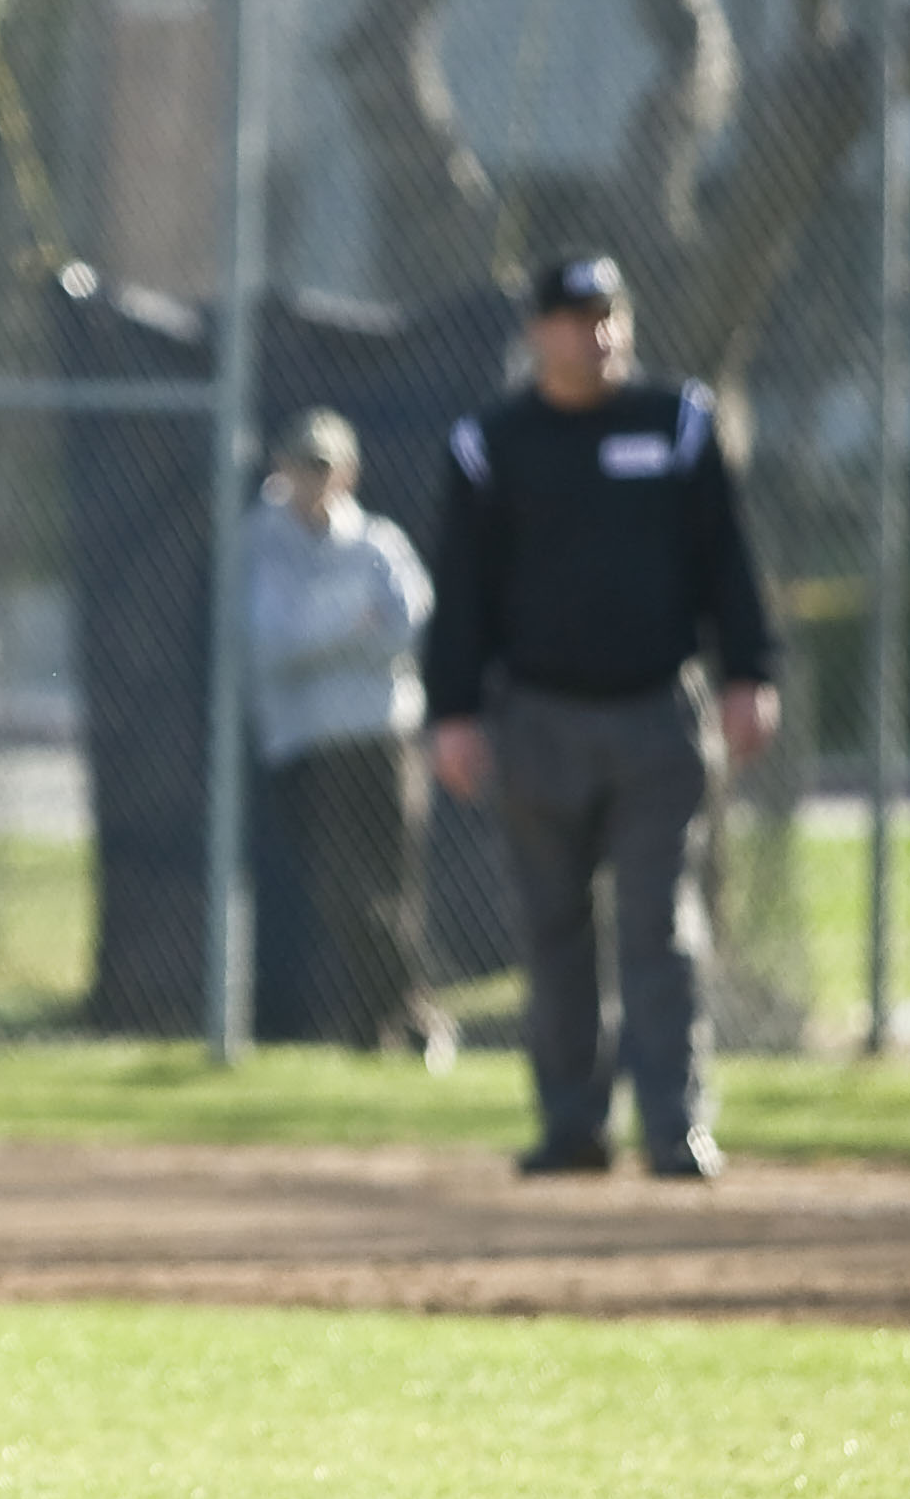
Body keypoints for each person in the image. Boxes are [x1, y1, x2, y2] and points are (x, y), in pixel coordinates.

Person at [420, 253, 780, 1180]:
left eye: (611, 315)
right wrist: (453, 711)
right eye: (578, 319)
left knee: (659, 924)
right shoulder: (493, 443)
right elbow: (461, 592)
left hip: (658, 714)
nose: (599, 335)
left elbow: (729, 564)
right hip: (538, 716)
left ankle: (675, 1123)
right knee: (554, 927)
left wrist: (749, 673)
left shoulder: (677, 425)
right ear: (539, 333)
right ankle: (572, 1121)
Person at [245, 408, 446, 1063]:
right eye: (301, 465)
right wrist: (351, 628)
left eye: (323, 467)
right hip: (308, 746)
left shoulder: (378, 543)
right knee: (344, 892)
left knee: (394, 889)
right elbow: (272, 643)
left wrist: (323, 634)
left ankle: (375, 1029)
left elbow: (409, 625)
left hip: (383, 738)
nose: (311, 479)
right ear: (282, 468)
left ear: (348, 473)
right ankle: (411, 1012)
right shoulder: (261, 543)